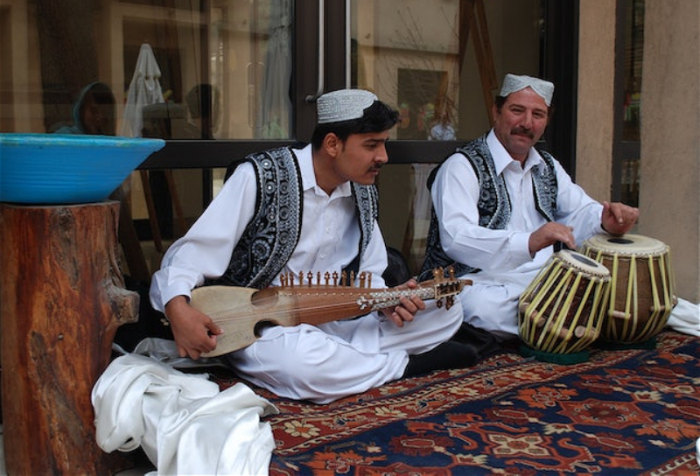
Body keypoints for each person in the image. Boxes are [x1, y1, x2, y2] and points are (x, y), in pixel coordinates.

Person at [150, 89, 475, 404]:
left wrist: (387, 301)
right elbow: (191, 253)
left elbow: (372, 272)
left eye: (384, 144)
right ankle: (404, 365)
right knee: (303, 362)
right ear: (333, 144)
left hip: (340, 321)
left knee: (447, 312)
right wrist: (178, 309)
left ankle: (356, 363)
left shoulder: (362, 190)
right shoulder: (261, 176)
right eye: (372, 145)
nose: (383, 157)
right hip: (265, 328)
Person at [420, 74, 639, 345]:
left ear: (546, 122)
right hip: (477, 282)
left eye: (538, 114)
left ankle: (554, 320)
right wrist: (530, 242)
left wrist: (605, 221)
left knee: (612, 287)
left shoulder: (547, 166)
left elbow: (580, 212)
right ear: (496, 112)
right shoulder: (462, 165)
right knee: (479, 308)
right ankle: (568, 322)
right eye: (517, 111)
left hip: (542, 281)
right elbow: (457, 239)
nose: (526, 123)